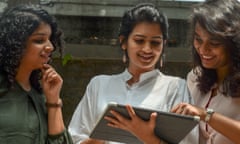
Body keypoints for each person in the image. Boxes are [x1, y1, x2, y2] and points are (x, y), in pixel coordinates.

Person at [68, 3, 192, 144]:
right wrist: (102, 135)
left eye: (155, 43)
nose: (147, 49)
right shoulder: (99, 85)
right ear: (123, 42)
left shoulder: (176, 87)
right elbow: (75, 138)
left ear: (164, 44)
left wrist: (146, 136)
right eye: (139, 41)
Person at [0, 4, 73, 144]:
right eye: (39, 40)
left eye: (50, 40)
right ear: (15, 44)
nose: (50, 47)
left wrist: (54, 102)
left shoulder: (41, 95)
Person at [171, 0, 240, 143]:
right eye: (198, 39)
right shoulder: (194, 77)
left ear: (234, 42)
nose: (203, 49)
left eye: (214, 43)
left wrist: (206, 115)